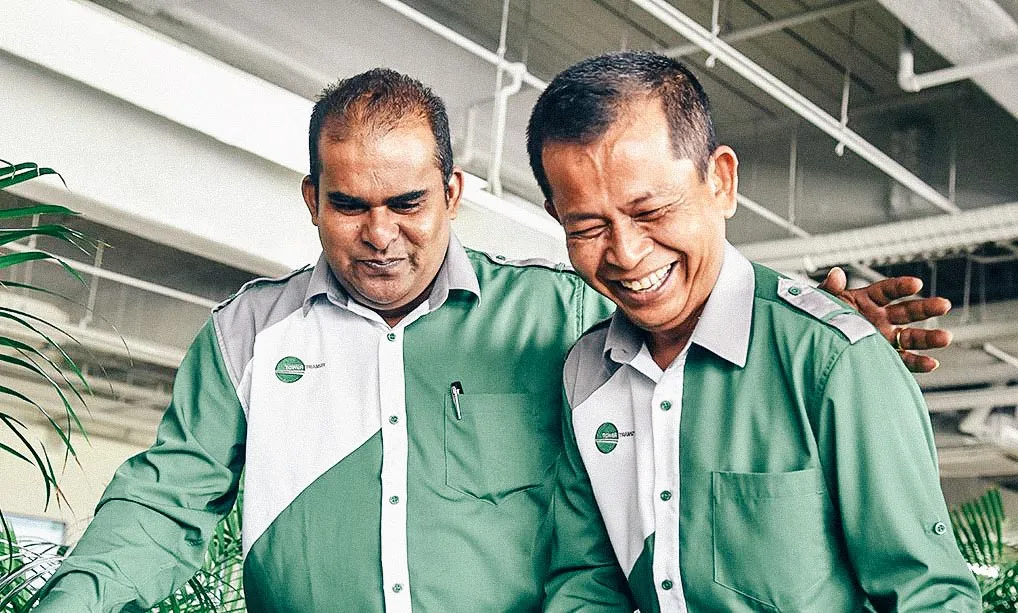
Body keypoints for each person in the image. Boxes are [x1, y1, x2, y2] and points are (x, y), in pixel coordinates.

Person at [35, 68, 952, 612]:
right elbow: (162, 504)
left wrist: (816, 329)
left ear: (454, 193)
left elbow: (683, 313)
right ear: (311, 199)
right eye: (349, 204)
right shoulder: (245, 334)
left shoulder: (564, 319)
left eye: (408, 202)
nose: (381, 232)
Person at [527, 51, 981, 612]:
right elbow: (586, 580)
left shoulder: (834, 360)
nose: (626, 253)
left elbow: (929, 598)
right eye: (589, 226)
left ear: (720, 181)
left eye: (651, 213)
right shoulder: (586, 372)